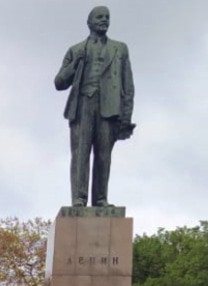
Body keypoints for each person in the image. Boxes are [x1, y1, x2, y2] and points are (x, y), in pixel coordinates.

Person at [54, 5, 135, 207]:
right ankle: (79, 199)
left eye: (107, 17)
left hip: (108, 108)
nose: (104, 20)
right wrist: (75, 64)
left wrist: (126, 117)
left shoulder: (120, 49)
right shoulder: (76, 50)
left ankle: (100, 199)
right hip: (82, 106)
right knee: (80, 154)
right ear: (89, 22)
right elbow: (59, 82)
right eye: (99, 17)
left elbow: (128, 85)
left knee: (103, 156)